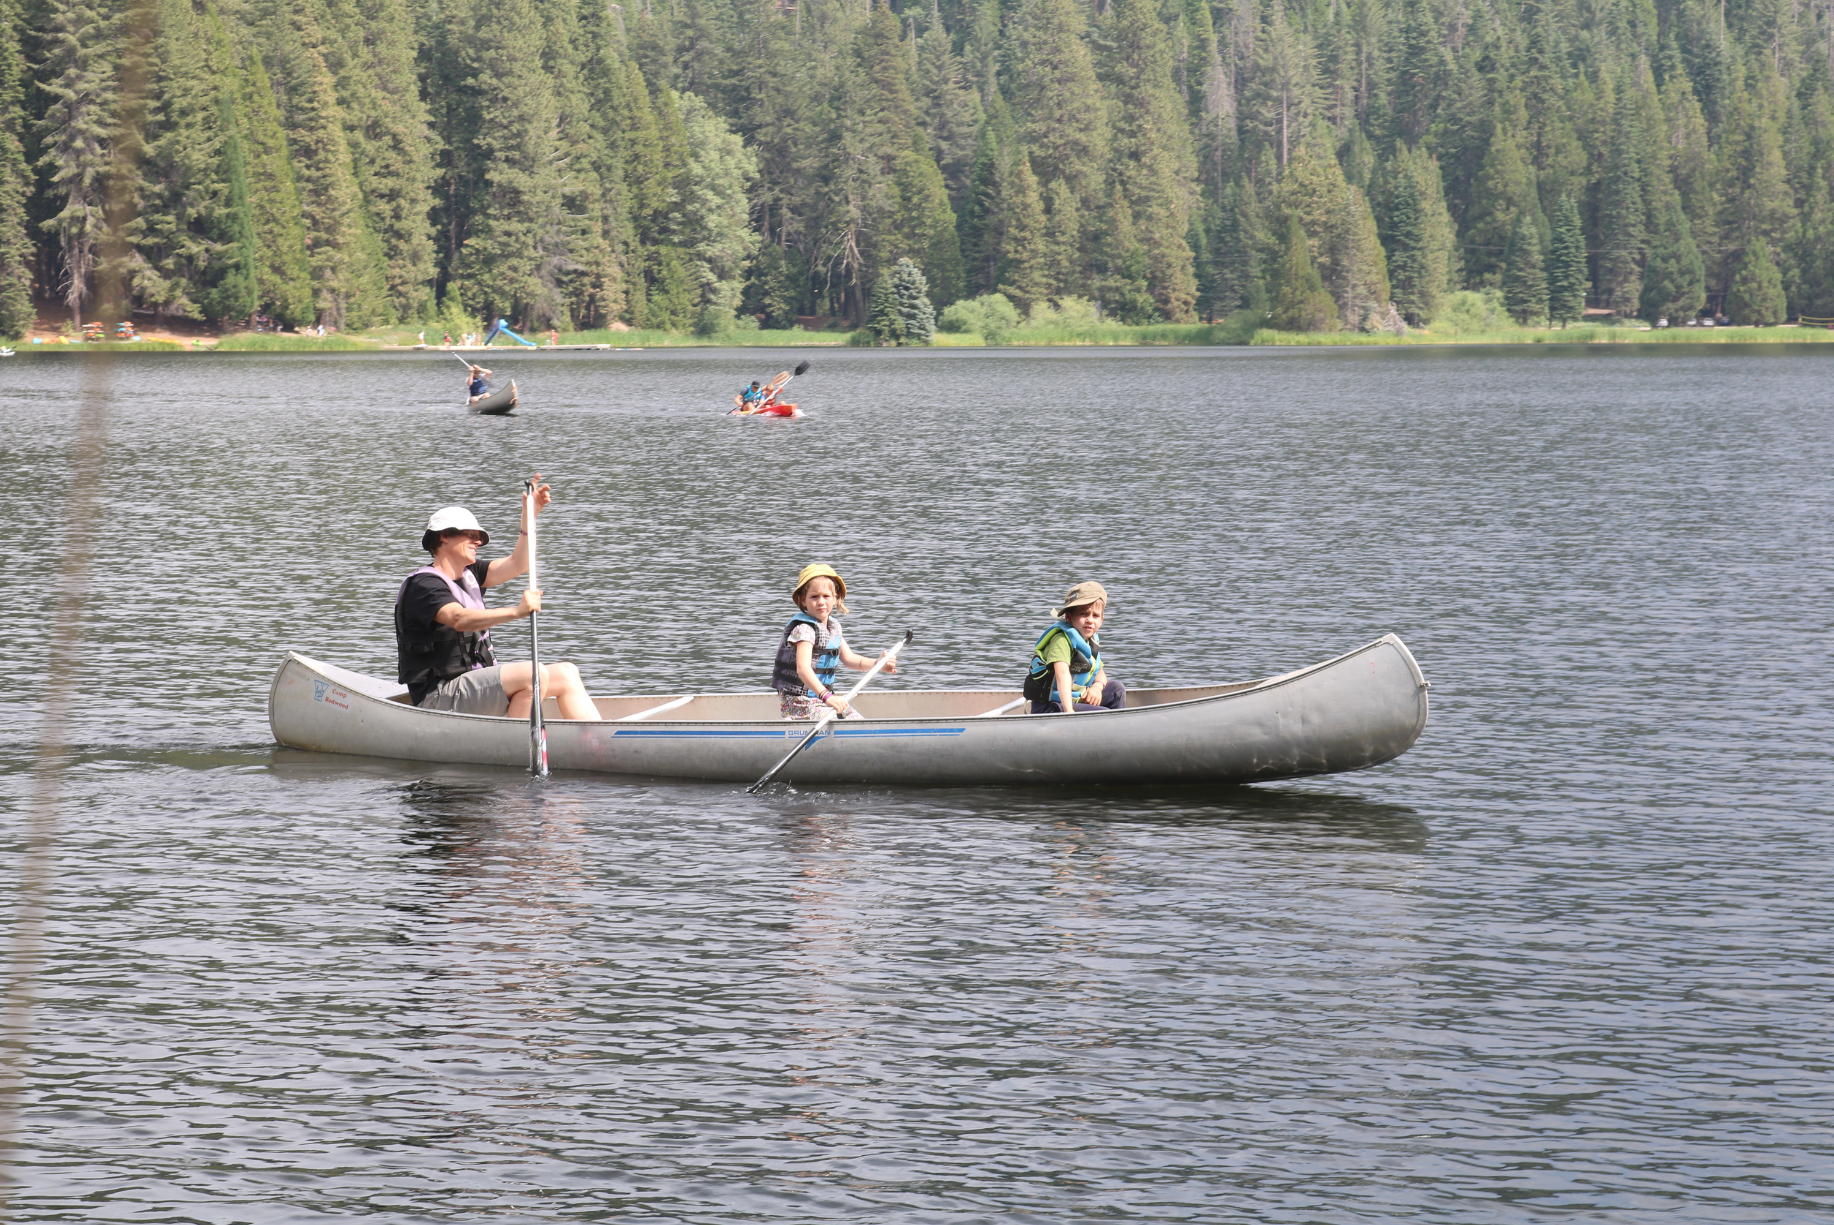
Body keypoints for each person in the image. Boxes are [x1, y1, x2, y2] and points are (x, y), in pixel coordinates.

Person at [394, 479, 601, 720]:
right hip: (439, 697)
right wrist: (516, 611)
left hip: (471, 689)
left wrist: (529, 515)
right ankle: (514, 747)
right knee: (533, 674)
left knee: (567, 673)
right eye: (470, 535)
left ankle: (597, 747)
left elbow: (519, 563)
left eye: (478, 536)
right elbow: (459, 618)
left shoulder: (471, 574)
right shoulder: (424, 586)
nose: (478, 541)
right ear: (444, 538)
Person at [771, 564, 898, 720]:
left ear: (836, 599)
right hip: (799, 704)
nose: (821, 602)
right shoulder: (804, 629)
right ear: (803, 601)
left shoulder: (833, 627)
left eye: (826, 596)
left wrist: (878, 664)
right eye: (814, 597)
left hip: (823, 701)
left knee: (858, 721)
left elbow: (851, 660)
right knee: (838, 721)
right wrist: (827, 696)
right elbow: (803, 668)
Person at [1024, 581, 1126, 714]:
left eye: (1095, 615)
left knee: (1117, 689)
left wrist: (1096, 687)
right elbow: (1062, 675)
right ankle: (1111, 725)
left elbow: (1099, 672)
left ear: (1101, 620)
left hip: (1075, 699)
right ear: (1069, 617)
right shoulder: (1061, 640)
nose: (1090, 620)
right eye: (1083, 614)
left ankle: (1116, 726)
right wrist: (1069, 711)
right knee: (1104, 713)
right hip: (1052, 706)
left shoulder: (1090, 641)